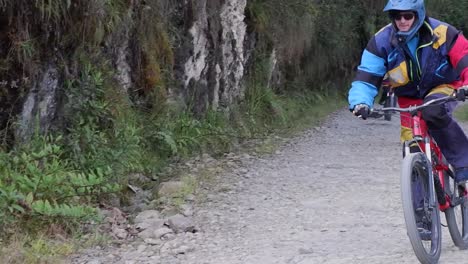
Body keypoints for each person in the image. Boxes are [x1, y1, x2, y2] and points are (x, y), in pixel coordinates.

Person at [348, 0, 468, 185]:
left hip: (443, 86)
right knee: (412, 150)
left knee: (433, 111)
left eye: (408, 16)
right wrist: (360, 102)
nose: (402, 20)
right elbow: (366, 77)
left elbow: (464, 59)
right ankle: (421, 209)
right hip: (408, 100)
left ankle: (463, 164)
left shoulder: (443, 33)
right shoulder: (381, 41)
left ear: (418, 14)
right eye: (397, 16)